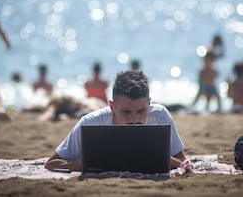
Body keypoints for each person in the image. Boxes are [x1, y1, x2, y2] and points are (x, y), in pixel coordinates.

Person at [44, 70, 186, 171]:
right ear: (112, 106)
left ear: (149, 104)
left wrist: (159, 158)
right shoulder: (90, 123)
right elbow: (51, 164)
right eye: (126, 112)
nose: (134, 119)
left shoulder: (160, 115)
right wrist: (77, 165)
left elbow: (182, 161)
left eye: (141, 111)